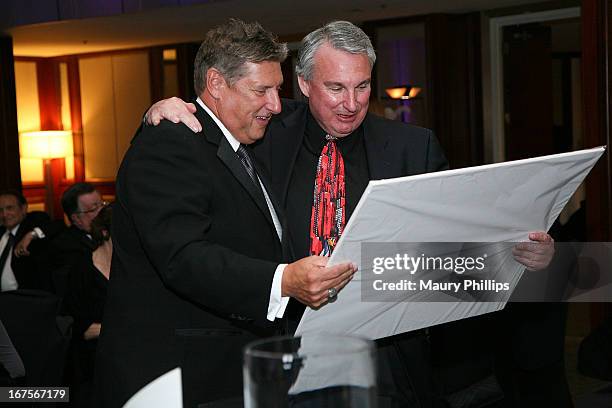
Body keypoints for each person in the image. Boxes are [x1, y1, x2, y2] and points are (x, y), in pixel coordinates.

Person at [147, 20, 554, 407]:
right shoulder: (263, 131)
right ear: (304, 84)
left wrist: (520, 257)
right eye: (336, 87)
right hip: (286, 349)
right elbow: (206, 130)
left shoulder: (414, 147)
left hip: (388, 355)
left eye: (362, 86)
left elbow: (458, 242)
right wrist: (164, 109)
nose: (352, 103)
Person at [94, 19, 356, 408]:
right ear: (216, 83)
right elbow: (182, 257)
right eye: (261, 90)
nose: (275, 104)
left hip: (226, 371)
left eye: (278, 89)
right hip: (176, 380)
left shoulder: (241, 141)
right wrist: (283, 280)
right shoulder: (170, 142)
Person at [64, 204, 112, 407]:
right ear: (104, 232)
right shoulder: (81, 270)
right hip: (92, 360)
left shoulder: (135, 269)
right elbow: (80, 330)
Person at [45, 183, 105, 297]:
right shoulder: (65, 247)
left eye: (102, 204)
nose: (101, 211)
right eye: (93, 209)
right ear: (77, 218)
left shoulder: (113, 231)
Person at [0, 190, 57, 292]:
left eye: (10, 208)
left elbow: (56, 226)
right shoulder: (1, 232)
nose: (4, 214)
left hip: (27, 299)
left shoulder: (33, 222)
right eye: (0, 210)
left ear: (23, 208)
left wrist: (31, 235)